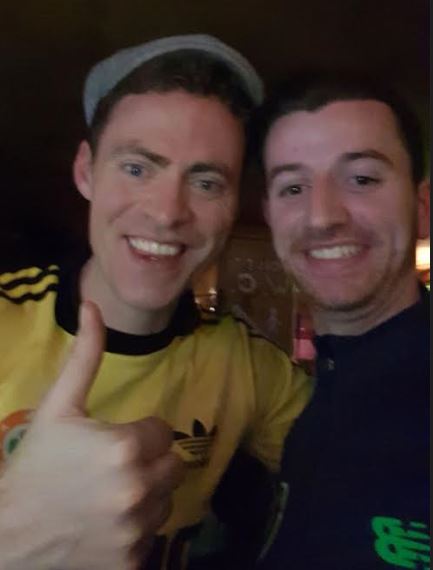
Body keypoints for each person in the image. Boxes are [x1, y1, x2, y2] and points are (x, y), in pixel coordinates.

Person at [0, 35, 312, 569]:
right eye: (137, 168)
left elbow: (374, 461)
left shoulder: (247, 364)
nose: (168, 213)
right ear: (85, 171)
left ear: (233, 205)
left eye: (206, 182)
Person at [254, 75, 430, 569]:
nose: (322, 217)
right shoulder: (310, 397)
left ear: (422, 209)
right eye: (293, 188)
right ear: (270, 217)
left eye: (362, 179)